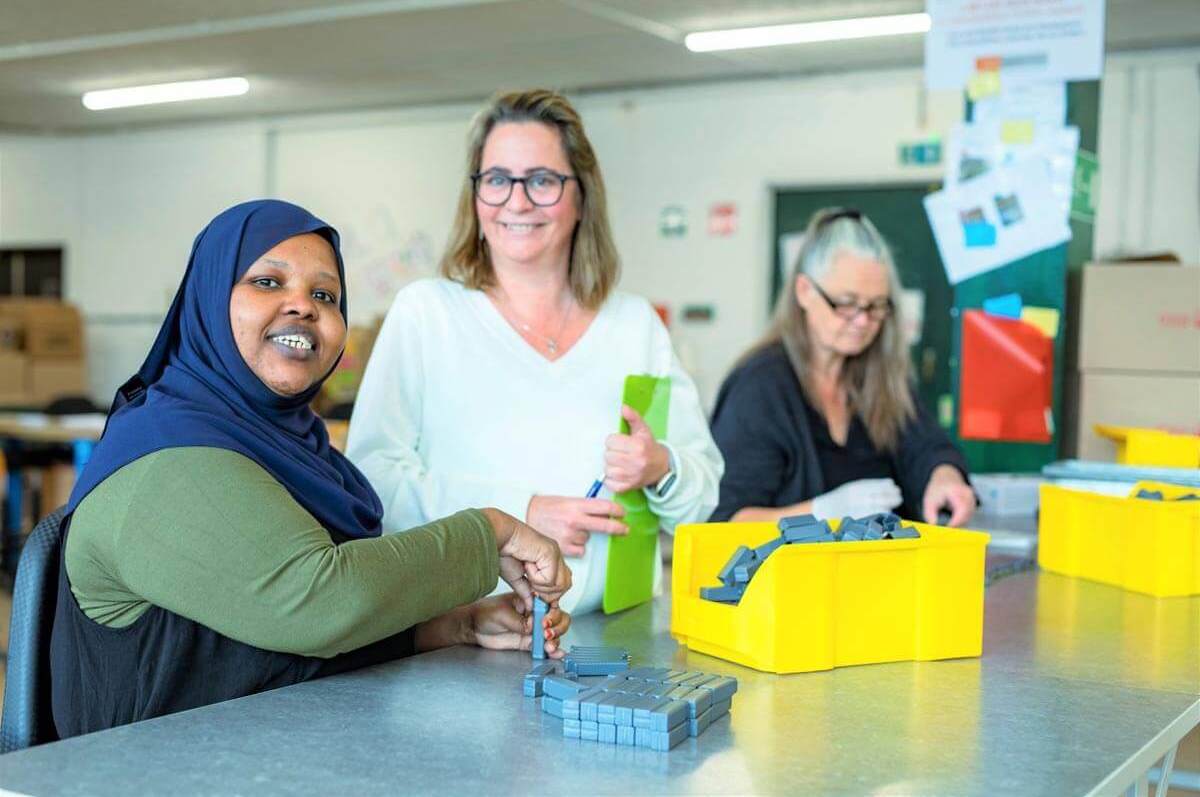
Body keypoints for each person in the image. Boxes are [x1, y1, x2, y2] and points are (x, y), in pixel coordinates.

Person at [50, 200, 570, 740]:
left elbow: (268, 644)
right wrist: (490, 532)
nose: (302, 305)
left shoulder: (298, 453)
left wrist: (452, 625)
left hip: (268, 753)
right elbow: (318, 602)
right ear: (206, 301)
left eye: (325, 295)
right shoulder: (164, 456)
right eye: (267, 282)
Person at [346, 89, 722, 615]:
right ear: (475, 197)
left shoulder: (634, 325)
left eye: (542, 180)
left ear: (581, 196)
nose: (517, 202)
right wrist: (519, 515)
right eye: (497, 180)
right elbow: (373, 482)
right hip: (461, 640)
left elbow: (701, 499)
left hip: (611, 639)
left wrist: (661, 467)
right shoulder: (428, 313)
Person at [709, 208, 975, 526]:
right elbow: (727, 521)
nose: (863, 321)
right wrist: (820, 513)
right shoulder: (760, 388)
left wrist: (944, 477)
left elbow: (925, 446)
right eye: (847, 303)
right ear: (804, 291)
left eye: (876, 305)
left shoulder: (878, 373)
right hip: (788, 573)